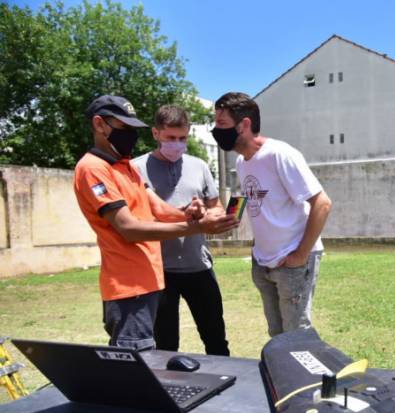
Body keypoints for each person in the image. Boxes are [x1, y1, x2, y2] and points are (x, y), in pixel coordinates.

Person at [73, 95, 239, 350]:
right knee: (140, 363)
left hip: (150, 279)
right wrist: (197, 226)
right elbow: (128, 229)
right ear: (99, 124)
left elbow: (159, 208)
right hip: (129, 286)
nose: (130, 135)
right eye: (124, 128)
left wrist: (191, 213)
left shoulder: (125, 167)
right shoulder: (94, 168)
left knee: (160, 356)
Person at [211, 92, 332, 336]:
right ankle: (283, 374)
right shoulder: (243, 162)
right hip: (263, 259)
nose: (216, 130)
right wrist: (228, 216)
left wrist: (301, 254)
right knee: (277, 333)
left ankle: (306, 376)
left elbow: (322, 203)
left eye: (221, 124)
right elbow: (248, 194)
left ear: (244, 124)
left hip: (292, 259)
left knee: (296, 333)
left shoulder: (280, 154)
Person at [132, 105, 230, 355]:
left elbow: (216, 207)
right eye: (170, 138)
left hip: (198, 265)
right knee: (165, 346)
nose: (177, 144)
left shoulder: (199, 166)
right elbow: (135, 217)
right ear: (156, 134)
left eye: (183, 138)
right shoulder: (135, 168)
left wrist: (206, 214)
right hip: (158, 271)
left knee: (216, 340)